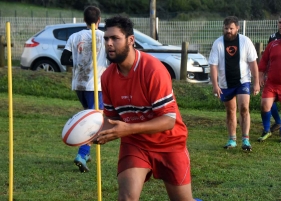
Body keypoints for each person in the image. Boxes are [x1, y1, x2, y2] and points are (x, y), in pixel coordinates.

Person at [93, 16, 201, 201]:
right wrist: (88, 133)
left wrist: (127, 129)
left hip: (170, 144)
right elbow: (110, 120)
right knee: (126, 198)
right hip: (135, 144)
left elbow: (169, 120)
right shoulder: (107, 77)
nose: (109, 43)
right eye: (106, 38)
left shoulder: (153, 70)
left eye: (115, 38)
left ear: (130, 40)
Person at [60, 6, 107, 172]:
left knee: (90, 117)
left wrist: (80, 64)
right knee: (94, 122)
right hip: (96, 86)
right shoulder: (103, 37)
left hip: (79, 85)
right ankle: (82, 153)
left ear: (84, 19)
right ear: (99, 20)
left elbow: (64, 59)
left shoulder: (74, 36)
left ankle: (86, 154)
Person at [208, 16, 260, 151]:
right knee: (230, 111)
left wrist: (256, 82)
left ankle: (246, 140)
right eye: (226, 28)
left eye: (231, 28)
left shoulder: (245, 41)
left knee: (244, 108)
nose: (228, 31)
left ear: (237, 28)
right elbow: (213, 66)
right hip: (225, 83)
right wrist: (215, 85)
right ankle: (232, 139)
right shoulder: (218, 43)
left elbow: (253, 63)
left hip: (243, 81)